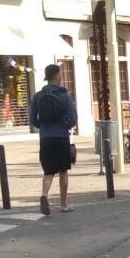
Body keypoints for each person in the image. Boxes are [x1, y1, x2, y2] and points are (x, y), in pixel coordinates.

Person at [30, 64, 78, 215]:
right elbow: (73, 119)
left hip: (45, 137)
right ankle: (63, 204)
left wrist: (43, 126)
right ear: (57, 75)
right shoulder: (64, 95)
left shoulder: (38, 96)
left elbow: (33, 119)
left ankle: (44, 195)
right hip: (61, 137)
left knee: (48, 171)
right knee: (63, 170)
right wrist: (66, 125)